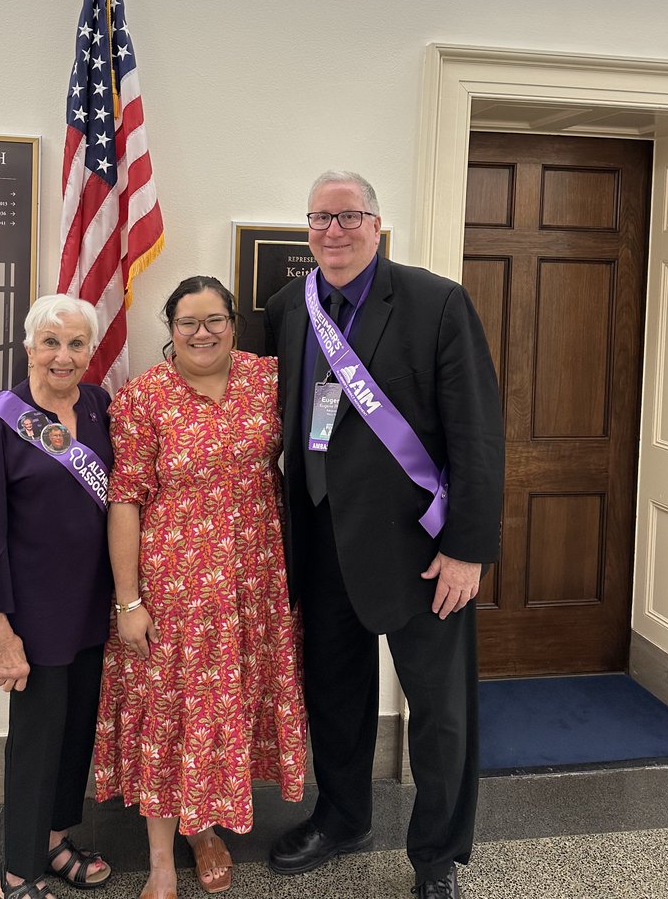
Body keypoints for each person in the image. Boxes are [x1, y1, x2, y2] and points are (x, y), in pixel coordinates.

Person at [264, 171, 504, 899]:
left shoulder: (435, 302)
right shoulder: (286, 309)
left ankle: (437, 858)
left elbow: (478, 435)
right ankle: (342, 819)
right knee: (335, 694)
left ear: (376, 223)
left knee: (438, 711)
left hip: (421, 551)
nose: (332, 231)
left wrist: (467, 548)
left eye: (347, 217)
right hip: (321, 538)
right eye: (319, 219)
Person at [94, 276, 307, 899]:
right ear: (170, 329)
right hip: (174, 586)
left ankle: (206, 829)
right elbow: (126, 500)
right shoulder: (142, 399)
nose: (202, 333)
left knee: (225, 710)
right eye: (187, 322)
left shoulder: (267, 380)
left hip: (254, 581)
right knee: (169, 716)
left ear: (234, 323)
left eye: (214, 319)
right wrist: (128, 601)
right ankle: (163, 858)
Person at [0, 294, 114, 899]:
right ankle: (17, 868)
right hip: (35, 616)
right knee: (37, 740)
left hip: (93, 607)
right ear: (28, 348)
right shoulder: (1, 424)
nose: (62, 356)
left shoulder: (97, 406)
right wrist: (2, 635)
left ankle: (54, 840)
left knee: (75, 735)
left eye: (75, 344)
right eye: (50, 342)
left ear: (91, 352)